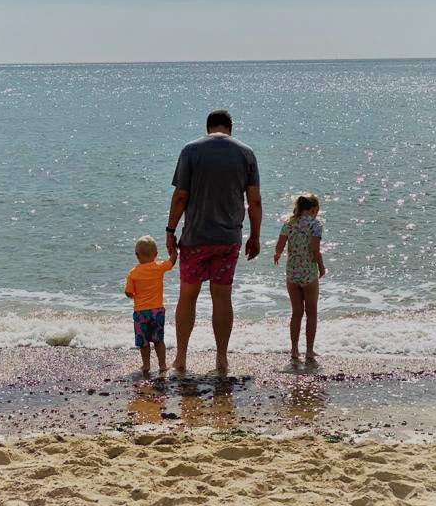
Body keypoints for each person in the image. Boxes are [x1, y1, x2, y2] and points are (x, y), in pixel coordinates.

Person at [166, 109, 262, 375]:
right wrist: (255, 235)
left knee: (188, 296)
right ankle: (221, 359)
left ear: (208, 127)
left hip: (195, 238)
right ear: (230, 127)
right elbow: (254, 200)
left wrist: (169, 230)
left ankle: (181, 358)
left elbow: (180, 197)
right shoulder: (246, 153)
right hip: (228, 239)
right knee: (222, 297)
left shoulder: (190, 151)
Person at [274, 193, 326, 363]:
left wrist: (278, 255)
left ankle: (294, 349)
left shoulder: (289, 223)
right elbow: (315, 249)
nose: (317, 213)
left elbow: (280, 245)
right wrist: (321, 266)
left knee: (296, 313)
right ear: (312, 210)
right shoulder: (315, 225)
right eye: (316, 210)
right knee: (311, 313)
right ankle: (309, 351)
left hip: (292, 272)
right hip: (309, 273)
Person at [124, 235, 177, 375]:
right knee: (159, 340)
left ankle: (146, 365)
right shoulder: (159, 267)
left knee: (143, 342)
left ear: (137, 255)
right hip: (157, 311)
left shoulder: (133, 273)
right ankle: (162, 365)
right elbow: (171, 262)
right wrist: (174, 251)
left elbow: (128, 292)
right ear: (155, 255)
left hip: (141, 313)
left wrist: (134, 295)